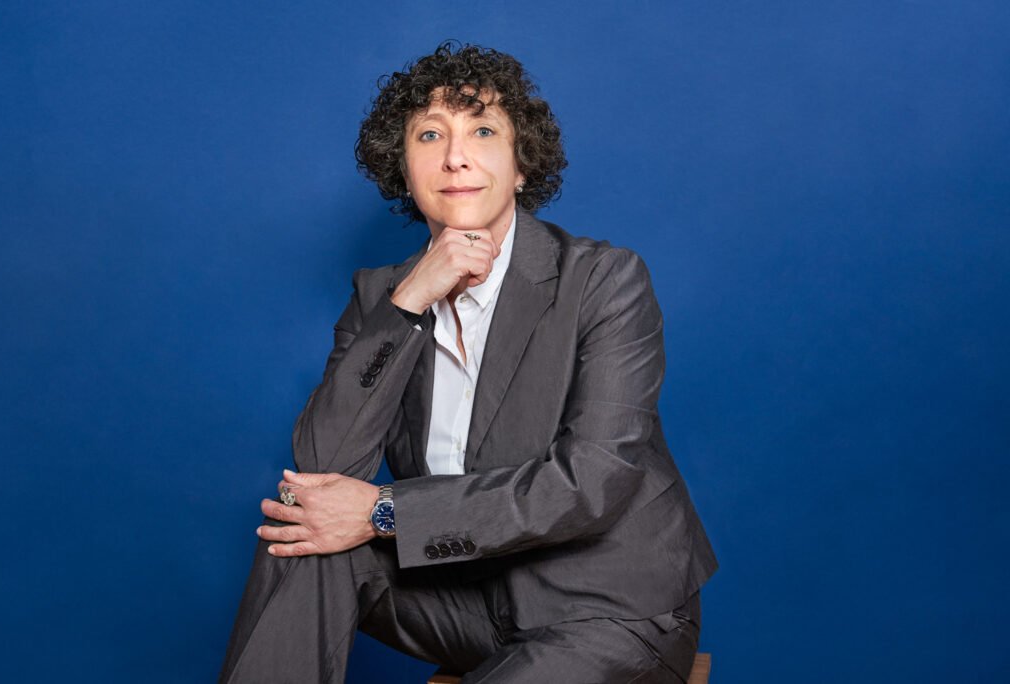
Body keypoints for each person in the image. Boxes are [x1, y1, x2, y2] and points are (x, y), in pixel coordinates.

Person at [220, 42, 717, 683]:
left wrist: (382, 511)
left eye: (483, 131)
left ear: (520, 165)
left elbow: (591, 484)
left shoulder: (603, 279)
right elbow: (322, 468)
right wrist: (408, 305)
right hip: (470, 604)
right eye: (430, 135)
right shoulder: (382, 297)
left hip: (607, 609)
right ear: (404, 169)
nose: (455, 156)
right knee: (301, 538)